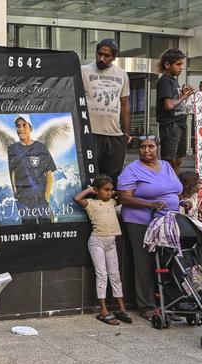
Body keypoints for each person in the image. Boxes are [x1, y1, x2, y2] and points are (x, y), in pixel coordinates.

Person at [118, 135, 182, 320]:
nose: (147, 150)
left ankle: (168, 303)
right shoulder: (132, 170)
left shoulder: (167, 166)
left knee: (167, 263)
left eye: (151, 146)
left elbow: (174, 190)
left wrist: (182, 201)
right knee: (144, 263)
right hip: (141, 222)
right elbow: (124, 198)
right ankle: (146, 306)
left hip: (168, 221)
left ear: (158, 148)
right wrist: (150, 205)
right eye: (143, 147)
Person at [74, 175, 130, 326]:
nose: (110, 193)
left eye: (111, 190)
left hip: (110, 242)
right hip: (97, 242)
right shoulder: (91, 203)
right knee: (102, 275)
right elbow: (77, 198)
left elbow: (123, 196)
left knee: (115, 274)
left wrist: (114, 191)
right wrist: (90, 190)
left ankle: (122, 308)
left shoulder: (112, 202)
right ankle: (103, 310)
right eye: (106, 190)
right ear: (97, 190)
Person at [81, 38, 131, 184]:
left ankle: (109, 205)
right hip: (91, 132)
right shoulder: (83, 71)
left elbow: (125, 103)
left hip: (114, 133)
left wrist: (126, 132)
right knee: (90, 175)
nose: (101, 58)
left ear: (114, 57)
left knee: (111, 177)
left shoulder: (122, 74)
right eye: (99, 54)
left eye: (106, 56)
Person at [7, 114, 57, 225]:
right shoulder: (12, 149)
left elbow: (49, 173)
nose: (21, 129)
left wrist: (46, 198)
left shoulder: (40, 147)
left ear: (30, 128)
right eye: (18, 126)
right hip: (24, 200)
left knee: (46, 227)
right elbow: (13, 172)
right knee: (29, 228)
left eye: (24, 125)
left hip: (41, 198)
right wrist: (16, 192)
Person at [156, 48, 195, 173]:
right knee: (170, 160)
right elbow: (168, 105)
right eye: (178, 64)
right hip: (171, 124)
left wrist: (183, 95)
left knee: (178, 158)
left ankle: (174, 183)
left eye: (182, 64)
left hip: (179, 122)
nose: (181, 68)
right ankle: (169, 185)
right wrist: (183, 96)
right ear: (167, 65)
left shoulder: (173, 81)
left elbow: (174, 102)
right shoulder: (165, 81)